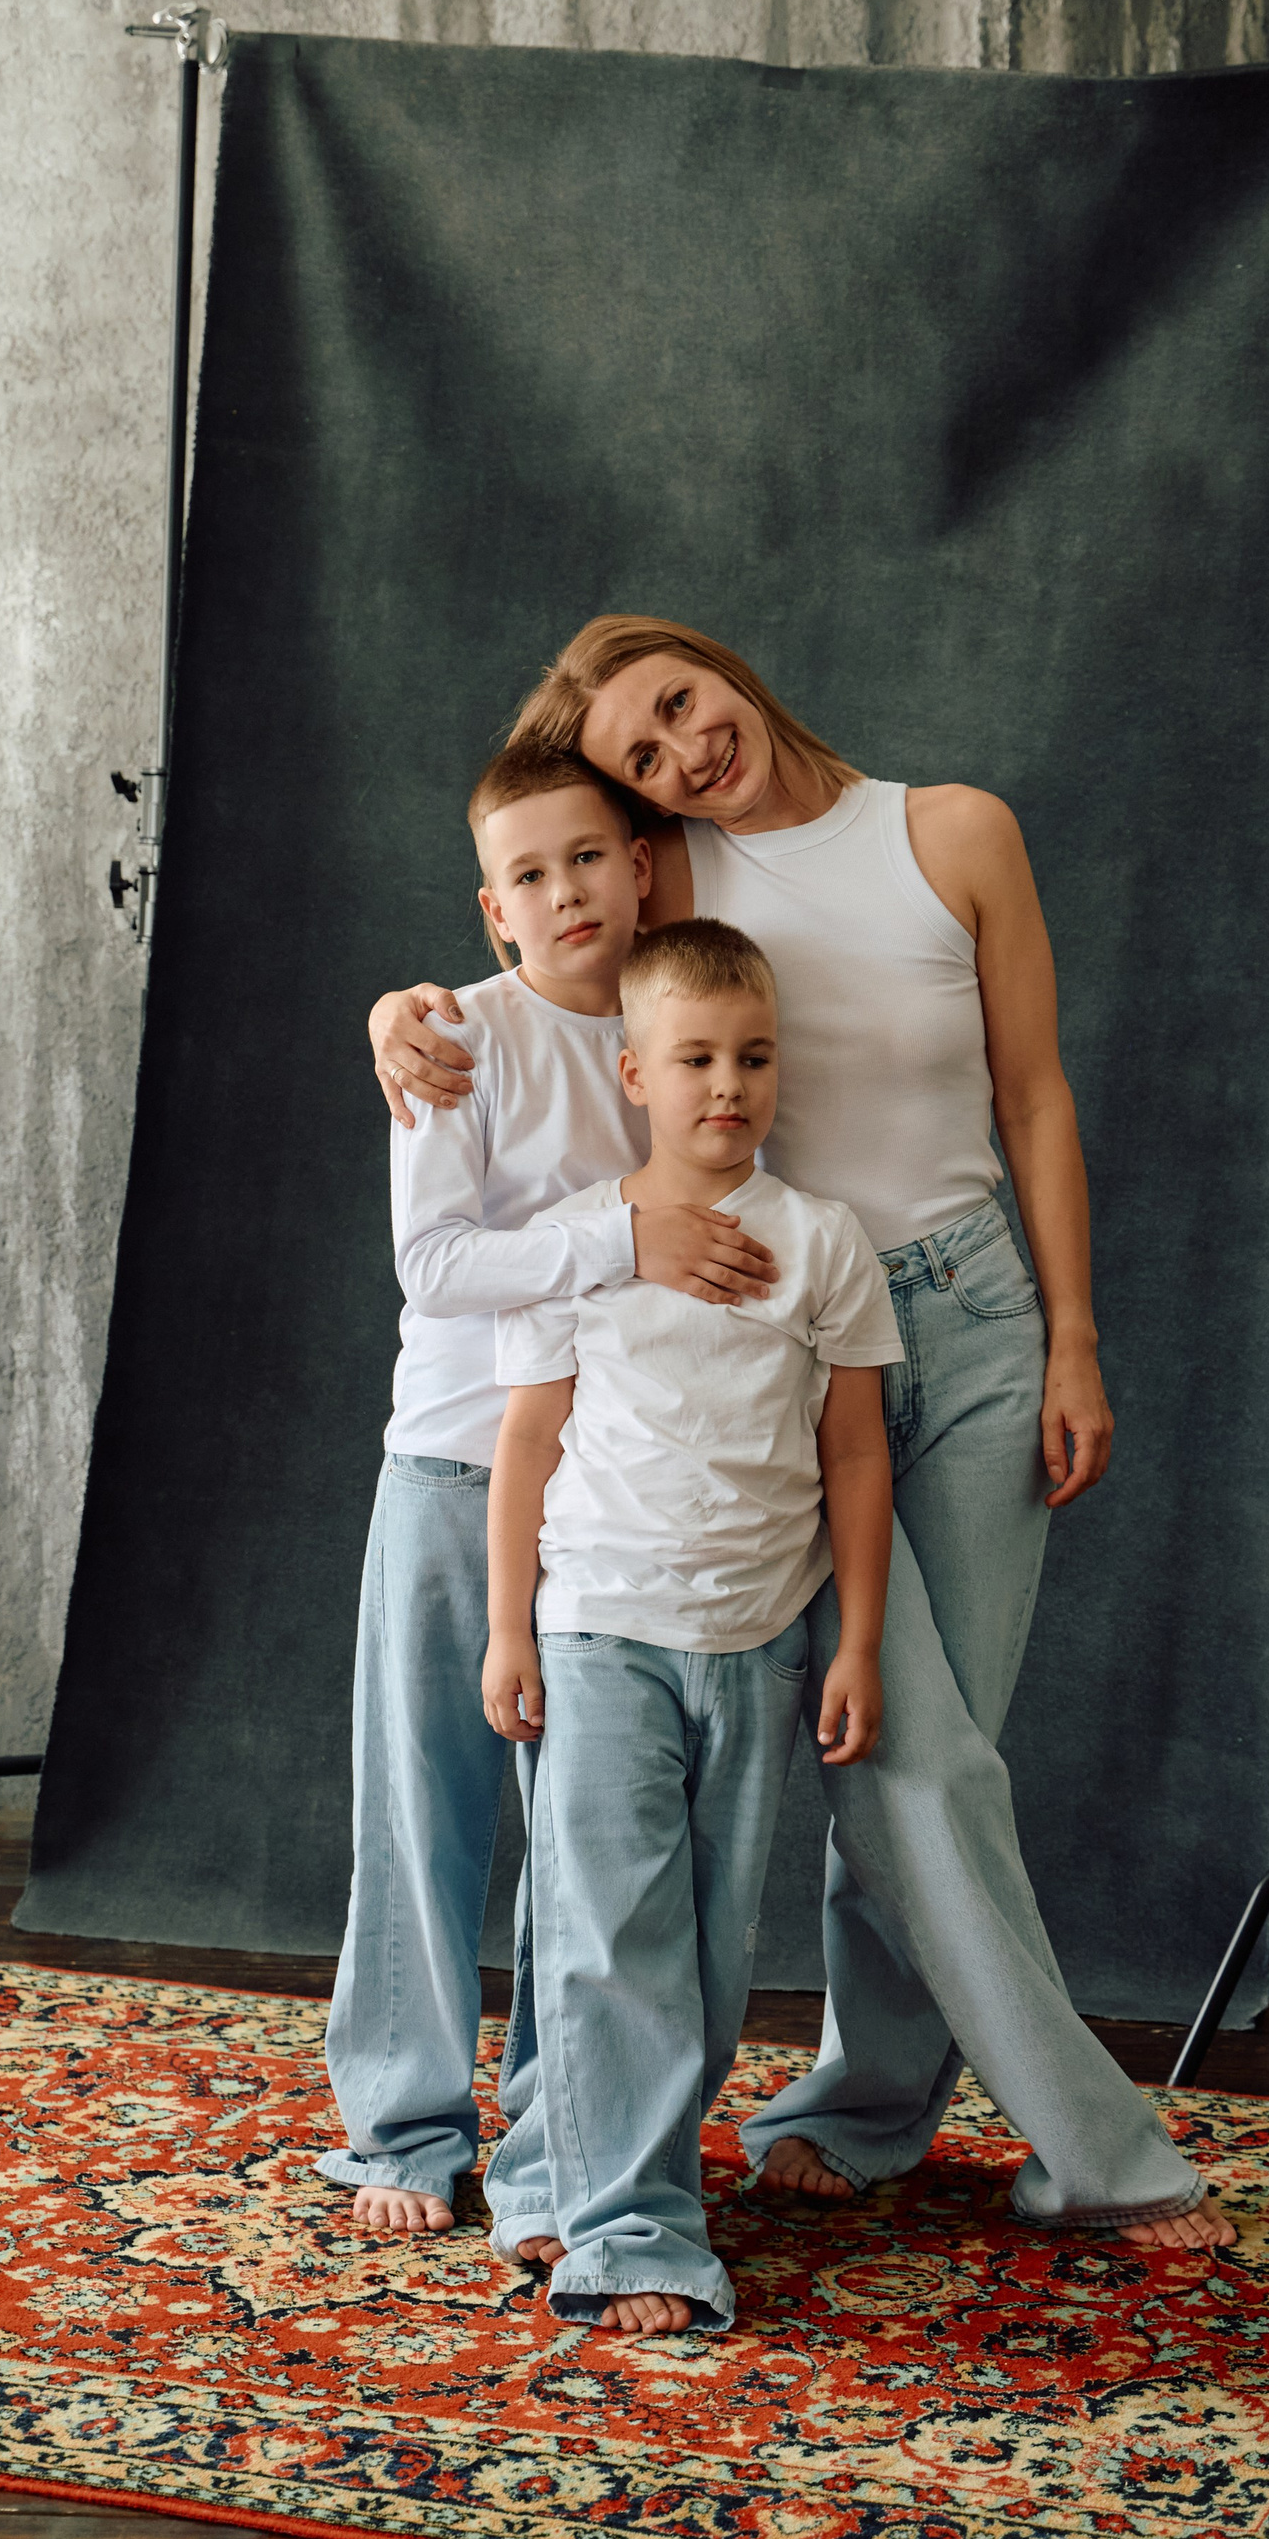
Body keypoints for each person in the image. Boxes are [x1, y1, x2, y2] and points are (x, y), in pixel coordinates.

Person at [369, 616, 1233, 2250]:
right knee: (900, 1755)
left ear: (725, 669)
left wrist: (1072, 1335)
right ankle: (1099, 2150)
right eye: (645, 759)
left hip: (971, 1318)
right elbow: (544, 951)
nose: (687, 753)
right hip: (777, 1333)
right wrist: (399, 1015)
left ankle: (866, 2102)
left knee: (930, 1747)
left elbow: (1036, 1095)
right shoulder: (676, 879)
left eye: (681, 705)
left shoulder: (955, 832)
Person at [320, 739, 779, 2237]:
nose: (565, 890)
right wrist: (622, 1242)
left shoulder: (675, 1030)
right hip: (456, 1461)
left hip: (613, 1499)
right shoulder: (457, 1037)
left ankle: (555, 2145)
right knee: (424, 1808)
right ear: (493, 907)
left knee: (582, 1851)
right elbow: (436, 1262)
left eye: (587, 857)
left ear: (639, 867)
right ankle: (403, 2128)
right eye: (528, 873)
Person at [479, 918, 900, 2333]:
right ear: (636, 1072)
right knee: (609, 1936)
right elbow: (526, 1447)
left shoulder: (821, 1242)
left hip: (757, 1642)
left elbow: (855, 1455)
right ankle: (635, 2233)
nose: (728, 1084)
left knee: (710, 1953)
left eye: (754, 1057)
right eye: (697, 1058)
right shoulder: (578, 1246)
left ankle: (546, 2169)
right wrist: (510, 1632)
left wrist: (854, 1640)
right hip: (599, 1630)